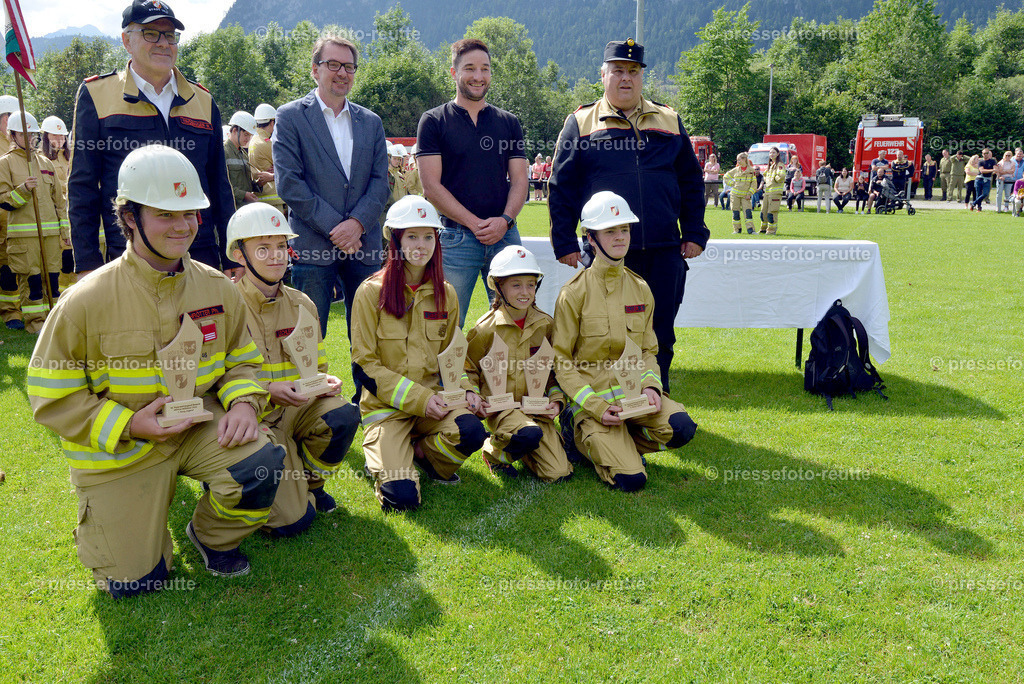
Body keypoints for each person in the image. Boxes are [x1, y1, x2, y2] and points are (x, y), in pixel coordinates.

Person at [27, 144, 285, 597]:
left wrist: (245, 403)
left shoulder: (217, 287)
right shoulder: (85, 300)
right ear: (130, 217)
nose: (182, 226)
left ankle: (211, 536)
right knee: (136, 583)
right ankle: (126, 530)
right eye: (165, 214)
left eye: (189, 213)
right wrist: (129, 425)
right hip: (122, 450)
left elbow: (242, 358)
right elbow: (52, 396)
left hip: (198, 430)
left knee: (260, 464)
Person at [548, 39, 707, 395]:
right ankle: (603, 405)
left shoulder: (669, 119)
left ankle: (656, 402)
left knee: (660, 333)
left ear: (641, 77)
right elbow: (561, 185)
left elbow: (691, 181)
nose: (626, 78)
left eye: (633, 71)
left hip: (664, 250)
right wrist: (564, 241)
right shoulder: (580, 122)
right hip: (607, 253)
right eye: (617, 70)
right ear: (603, 75)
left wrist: (695, 232)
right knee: (602, 333)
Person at [69, 0, 236, 278]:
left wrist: (232, 256)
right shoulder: (97, 95)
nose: (163, 43)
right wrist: (87, 262)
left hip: (199, 250)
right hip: (130, 252)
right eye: (151, 34)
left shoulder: (203, 100)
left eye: (170, 35)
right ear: (127, 41)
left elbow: (220, 185)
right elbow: (82, 186)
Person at [225, 202, 360, 529]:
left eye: (281, 246)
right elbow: (212, 380)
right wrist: (267, 390)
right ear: (239, 255)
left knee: (342, 414)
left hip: (295, 412)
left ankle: (312, 483)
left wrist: (325, 381)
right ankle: (237, 476)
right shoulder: (226, 308)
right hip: (251, 420)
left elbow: (316, 366)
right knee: (291, 522)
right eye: (263, 248)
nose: (276, 256)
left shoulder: (302, 304)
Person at [350, 195, 488, 512]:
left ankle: (425, 455)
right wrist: (420, 399)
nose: (421, 245)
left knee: (471, 432)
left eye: (428, 237)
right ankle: (389, 453)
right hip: (387, 410)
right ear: (396, 240)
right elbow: (364, 365)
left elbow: (452, 357)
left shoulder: (447, 294)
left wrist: (467, 390)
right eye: (412, 236)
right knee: (401, 498)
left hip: (435, 407)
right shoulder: (370, 293)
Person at [552, 191, 697, 492]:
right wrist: (596, 406)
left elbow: (648, 349)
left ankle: (624, 443)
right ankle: (578, 436)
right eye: (610, 231)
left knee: (681, 428)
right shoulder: (573, 293)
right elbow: (562, 361)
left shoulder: (640, 288)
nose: (620, 237)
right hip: (596, 404)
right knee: (632, 480)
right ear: (591, 238)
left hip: (635, 399)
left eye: (624, 229)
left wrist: (651, 386)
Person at [273, 33, 389, 393]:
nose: (342, 73)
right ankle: (310, 406)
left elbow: (380, 183)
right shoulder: (290, 117)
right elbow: (289, 184)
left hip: (364, 245)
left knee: (369, 335)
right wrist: (337, 227)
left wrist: (357, 224)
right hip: (312, 247)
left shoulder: (371, 121)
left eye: (349, 67)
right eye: (333, 64)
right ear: (315, 69)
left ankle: (369, 404)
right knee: (308, 333)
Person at [417, 38, 528, 326]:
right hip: (456, 239)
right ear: (454, 72)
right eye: (469, 68)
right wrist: (474, 223)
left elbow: (519, 180)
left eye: (485, 69)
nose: (478, 76)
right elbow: (431, 187)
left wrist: (504, 220)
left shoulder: (509, 122)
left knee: (517, 323)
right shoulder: (433, 121)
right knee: (445, 325)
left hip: (505, 235)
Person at [465, 245, 572, 481]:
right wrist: (475, 396)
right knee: (528, 434)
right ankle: (494, 453)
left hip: (537, 411)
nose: (525, 292)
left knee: (558, 473)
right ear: (498, 286)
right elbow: (468, 368)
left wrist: (556, 401)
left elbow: (554, 372)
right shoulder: (485, 330)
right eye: (516, 285)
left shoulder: (546, 325)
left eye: (531, 284)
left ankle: (524, 445)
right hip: (502, 411)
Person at [0, 112, 68, 333]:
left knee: (53, 278)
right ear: (12, 135)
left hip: (50, 236)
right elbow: (4, 200)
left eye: (33, 135)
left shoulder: (45, 162)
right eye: (24, 135)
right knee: (32, 281)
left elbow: (59, 201)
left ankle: (54, 321)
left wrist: (64, 230)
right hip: (24, 238)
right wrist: (23, 190)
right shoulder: (5, 163)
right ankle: (36, 323)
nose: (30, 139)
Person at [40, 116, 76, 291]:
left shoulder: (71, 157)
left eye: (61, 136)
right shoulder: (41, 159)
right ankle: (60, 298)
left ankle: (73, 296)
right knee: (60, 261)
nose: (59, 139)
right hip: (55, 216)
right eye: (54, 136)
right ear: (46, 137)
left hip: (73, 213)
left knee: (73, 259)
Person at [248, 103, 283, 213]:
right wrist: (275, 173)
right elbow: (288, 166)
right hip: (274, 199)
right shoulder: (267, 144)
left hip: (261, 197)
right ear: (272, 122)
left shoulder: (253, 140)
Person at [224, 111, 259, 211]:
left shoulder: (243, 154)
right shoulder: (223, 152)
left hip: (245, 208)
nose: (248, 139)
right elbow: (222, 186)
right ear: (235, 130)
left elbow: (245, 183)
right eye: (246, 134)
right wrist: (243, 195)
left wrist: (258, 183)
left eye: (250, 135)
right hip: (231, 209)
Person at [723, 152, 757, 234]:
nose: (738, 161)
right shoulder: (736, 170)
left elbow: (754, 184)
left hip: (745, 195)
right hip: (735, 195)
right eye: (737, 160)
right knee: (735, 212)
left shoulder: (751, 171)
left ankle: (750, 229)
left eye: (739, 160)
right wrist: (732, 183)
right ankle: (737, 230)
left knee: (748, 212)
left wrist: (750, 193)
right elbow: (725, 177)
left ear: (744, 159)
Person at [759, 147, 786, 233]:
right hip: (767, 192)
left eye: (773, 153)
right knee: (763, 212)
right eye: (770, 153)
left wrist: (775, 179)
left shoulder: (779, 165)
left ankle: (771, 230)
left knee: (772, 213)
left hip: (775, 193)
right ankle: (763, 229)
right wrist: (768, 180)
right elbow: (765, 175)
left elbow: (781, 176)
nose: (771, 154)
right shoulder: (771, 165)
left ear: (778, 154)